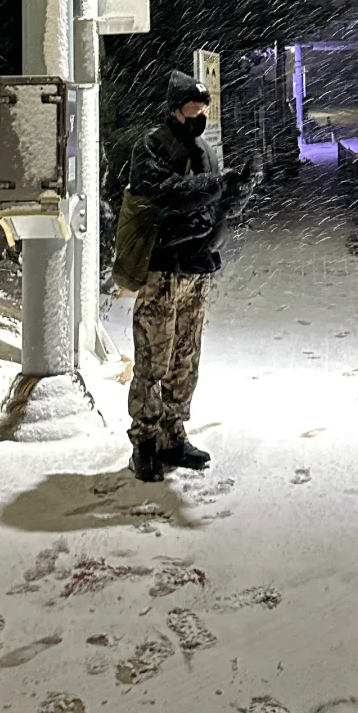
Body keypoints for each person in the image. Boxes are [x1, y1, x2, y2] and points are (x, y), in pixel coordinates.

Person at [123, 69, 260, 482]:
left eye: (203, 109)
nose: (199, 115)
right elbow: (164, 193)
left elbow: (213, 205)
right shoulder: (152, 146)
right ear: (176, 109)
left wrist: (238, 191)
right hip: (162, 270)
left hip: (196, 271)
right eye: (192, 108)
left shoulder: (205, 151)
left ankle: (173, 435)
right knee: (153, 358)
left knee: (186, 359)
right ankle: (144, 443)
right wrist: (215, 185)